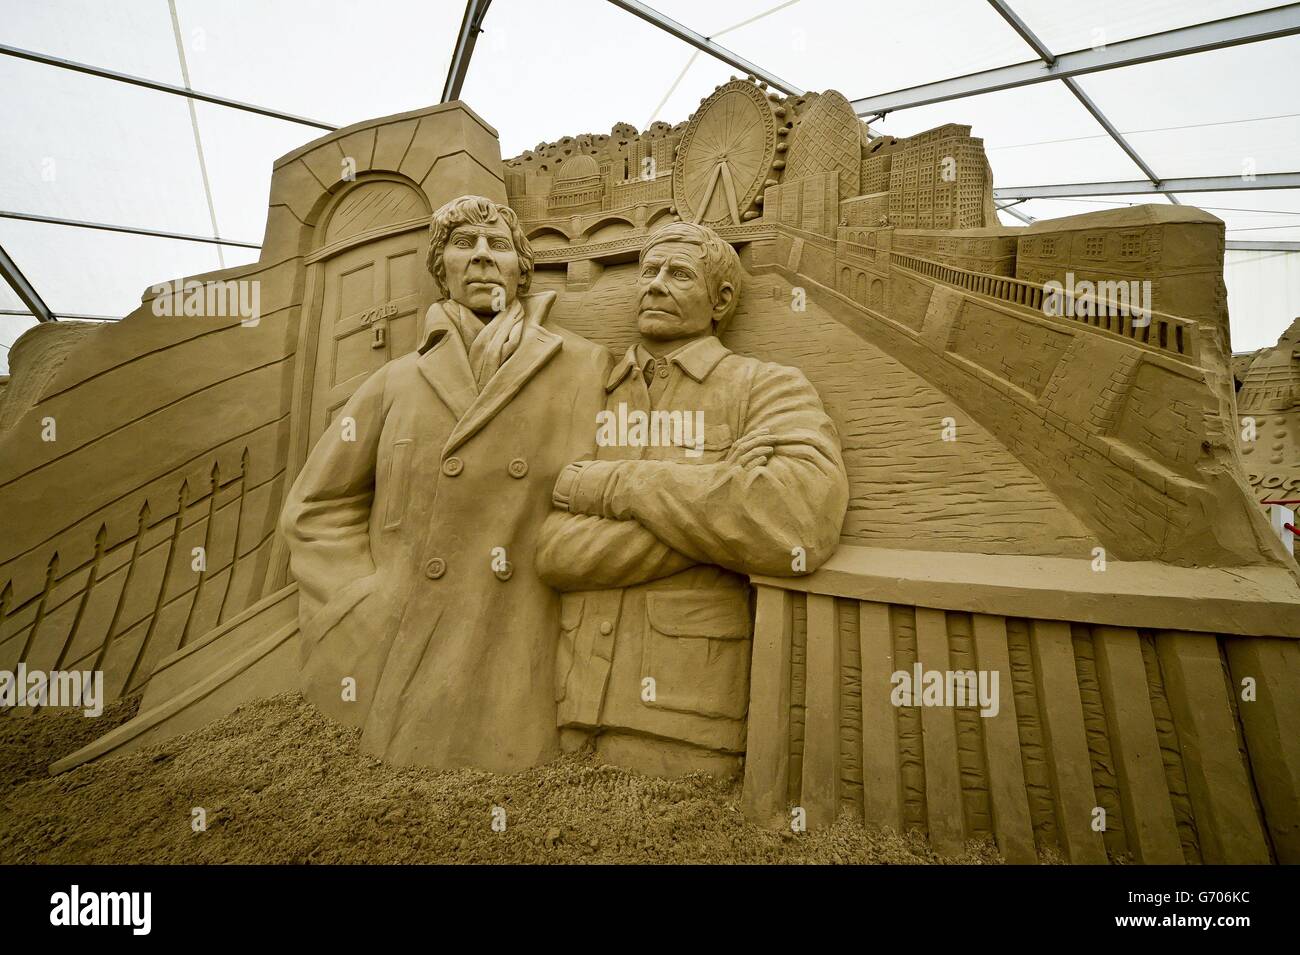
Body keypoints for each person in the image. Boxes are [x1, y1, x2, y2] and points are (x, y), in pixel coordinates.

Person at [281, 195, 611, 771]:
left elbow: (617, 491)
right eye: (464, 244)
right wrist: (359, 600)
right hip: (405, 641)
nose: (483, 256)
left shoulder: (586, 367)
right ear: (442, 270)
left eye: (499, 245)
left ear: (519, 271)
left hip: (521, 649)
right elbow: (314, 507)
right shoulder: (395, 382)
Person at [537, 221, 849, 777]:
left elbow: (797, 521)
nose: (654, 285)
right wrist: (718, 510)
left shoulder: (766, 386)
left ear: (721, 300)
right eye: (648, 272)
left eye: (678, 274)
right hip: (575, 704)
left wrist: (614, 486)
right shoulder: (590, 389)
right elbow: (550, 549)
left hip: (693, 720)